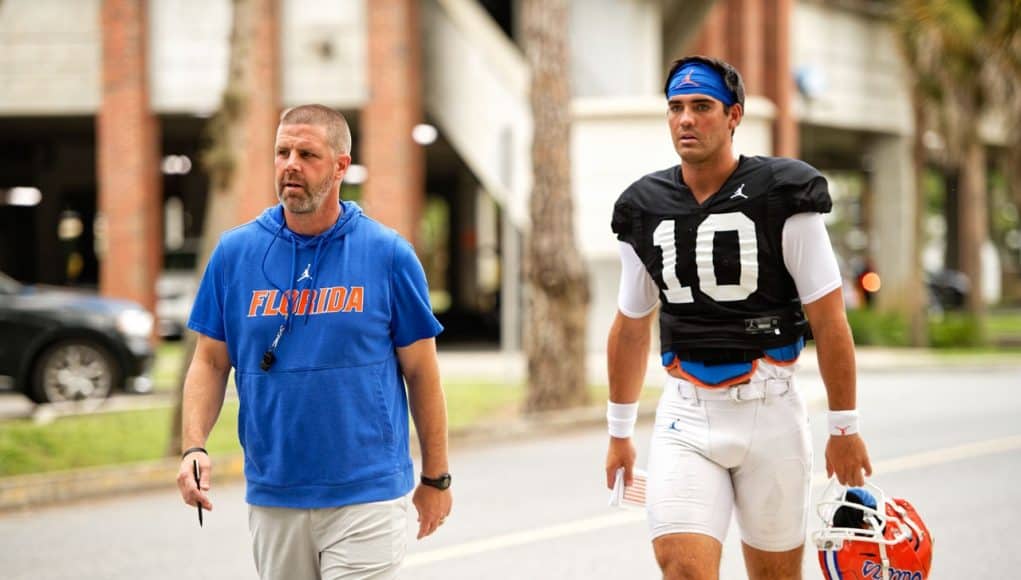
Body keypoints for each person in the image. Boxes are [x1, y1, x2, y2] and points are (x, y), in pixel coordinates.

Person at [604, 56, 872, 579]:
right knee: (682, 566)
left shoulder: (783, 193)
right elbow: (631, 325)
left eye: (701, 107)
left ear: (734, 116)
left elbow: (829, 318)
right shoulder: (645, 205)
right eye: (675, 108)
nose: (685, 119)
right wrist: (619, 432)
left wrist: (845, 427)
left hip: (770, 409)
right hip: (686, 411)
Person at [176, 104, 452, 580]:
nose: (290, 165)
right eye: (282, 152)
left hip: (367, 493)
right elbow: (209, 361)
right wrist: (193, 447)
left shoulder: (387, 255)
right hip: (275, 492)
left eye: (307, 154)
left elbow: (422, 372)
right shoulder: (235, 254)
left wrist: (436, 477)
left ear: (341, 166)